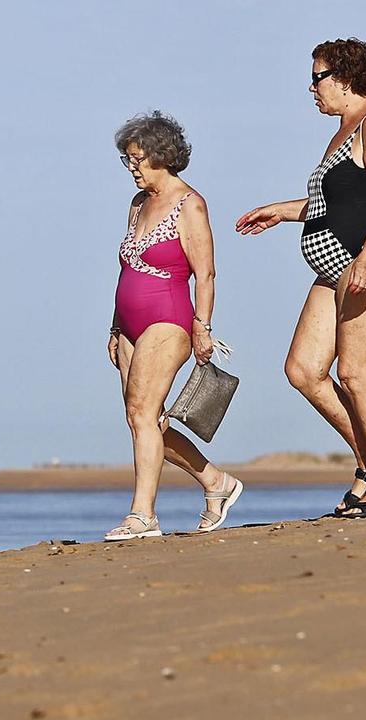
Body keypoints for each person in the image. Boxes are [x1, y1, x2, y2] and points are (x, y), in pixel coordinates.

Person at [236, 38, 366, 518]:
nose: (311, 88)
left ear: (345, 78)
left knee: (357, 374)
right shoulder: (343, 130)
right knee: (304, 370)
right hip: (336, 264)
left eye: (317, 77)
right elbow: (339, 204)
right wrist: (282, 211)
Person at [106, 111, 243, 541]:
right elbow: (124, 268)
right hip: (128, 324)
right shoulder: (137, 205)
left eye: (136, 159)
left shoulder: (190, 204)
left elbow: (206, 274)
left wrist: (202, 327)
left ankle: (143, 515)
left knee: (143, 413)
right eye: (127, 160)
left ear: (162, 155)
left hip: (169, 320)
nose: (131, 167)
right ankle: (216, 482)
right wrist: (114, 329)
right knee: (143, 419)